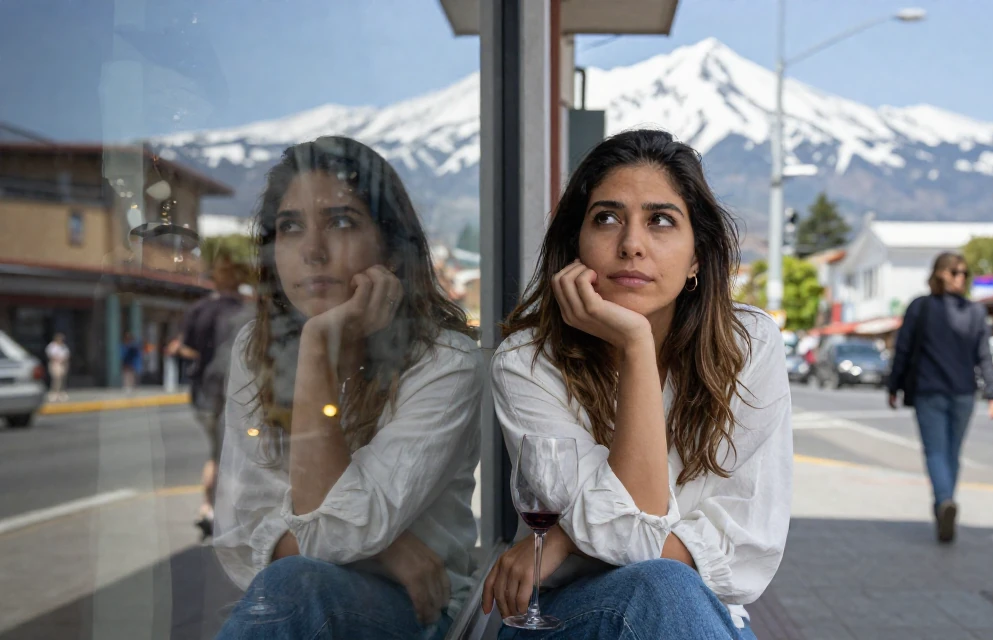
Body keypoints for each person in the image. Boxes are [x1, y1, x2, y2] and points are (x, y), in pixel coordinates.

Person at [486, 129, 792, 639]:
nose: (631, 245)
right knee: (662, 584)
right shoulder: (528, 361)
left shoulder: (750, 344)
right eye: (606, 218)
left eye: (661, 221)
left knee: (667, 589)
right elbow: (634, 528)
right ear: (574, 245)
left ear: (697, 255)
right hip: (566, 619)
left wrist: (566, 539)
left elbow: (746, 552)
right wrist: (635, 346)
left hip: (700, 618)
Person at [213, 136, 481, 640]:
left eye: (341, 221)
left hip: (417, 617)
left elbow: (331, 535)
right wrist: (387, 547)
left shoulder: (446, 362)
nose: (313, 251)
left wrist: (316, 348)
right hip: (298, 609)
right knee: (297, 584)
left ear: (393, 251)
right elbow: (240, 533)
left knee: (297, 583)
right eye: (291, 228)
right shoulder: (257, 346)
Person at [886, 252, 993, 544]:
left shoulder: (924, 307)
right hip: (956, 392)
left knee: (939, 452)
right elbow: (904, 350)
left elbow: (984, 355)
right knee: (950, 453)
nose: (961, 277)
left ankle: (944, 502)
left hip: (938, 393)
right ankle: (945, 503)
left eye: (965, 272)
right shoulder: (969, 311)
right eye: (955, 272)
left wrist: (894, 386)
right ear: (940, 274)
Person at [177, 248, 251, 539]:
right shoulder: (246, 313)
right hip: (234, 395)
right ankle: (224, 511)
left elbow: (185, 347)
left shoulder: (199, 309)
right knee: (231, 456)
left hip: (203, 396)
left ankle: (208, 508)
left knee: (216, 454)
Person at [45, 333, 70, 402]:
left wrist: (63, 360)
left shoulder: (63, 346)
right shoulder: (52, 346)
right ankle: (54, 393)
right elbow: (50, 355)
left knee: (62, 379)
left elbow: (67, 355)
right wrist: (57, 359)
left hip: (63, 364)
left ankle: (61, 393)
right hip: (55, 364)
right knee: (56, 379)